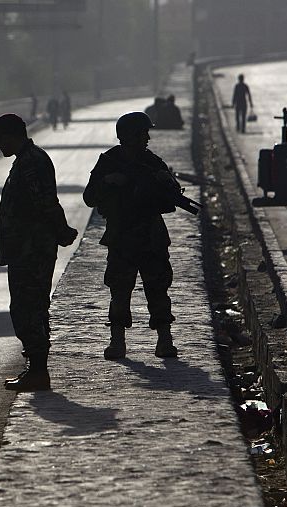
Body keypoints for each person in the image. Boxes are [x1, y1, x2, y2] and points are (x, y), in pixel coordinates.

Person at [0, 113, 78, 392]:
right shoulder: (25, 161)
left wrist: (62, 230)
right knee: (26, 307)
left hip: (32, 250)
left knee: (30, 308)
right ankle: (35, 368)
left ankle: (38, 371)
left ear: (13, 135)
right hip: (24, 249)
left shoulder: (31, 163)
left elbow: (46, 201)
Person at [83, 111, 179, 360]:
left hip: (151, 236)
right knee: (119, 291)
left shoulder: (152, 162)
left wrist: (166, 181)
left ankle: (165, 339)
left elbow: (173, 196)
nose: (147, 138)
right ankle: (117, 341)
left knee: (158, 289)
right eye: (142, 133)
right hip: (122, 237)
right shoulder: (109, 162)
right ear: (128, 136)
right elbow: (89, 197)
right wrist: (109, 181)